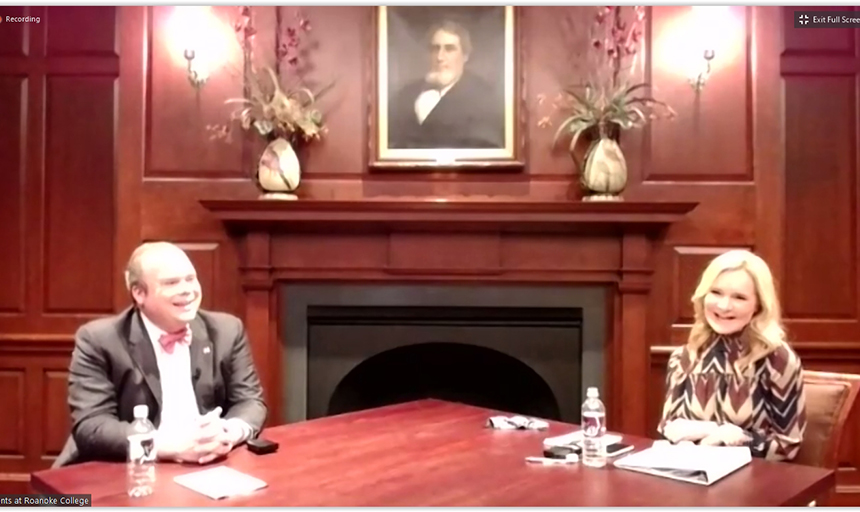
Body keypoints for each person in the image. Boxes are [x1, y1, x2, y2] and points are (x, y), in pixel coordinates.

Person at [54, 242, 267, 467]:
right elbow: (93, 426)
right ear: (139, 293)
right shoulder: (100, 340)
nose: (188, 290)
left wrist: (227, 433)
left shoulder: (226, 330)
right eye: (171, 283)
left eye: (191, 278)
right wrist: (169, 447)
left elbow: (250, 401)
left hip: (207, 464)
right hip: (129, 468)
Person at [658, 249, 807, 462]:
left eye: (739, 297)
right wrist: (711, 429)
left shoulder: (777, 360)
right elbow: (667, 427)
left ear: (758, 306)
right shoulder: (684, 356)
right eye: (716, 293)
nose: (724, 306)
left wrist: (737, 439)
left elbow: (788, 445)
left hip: (753, 483)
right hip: (691, 477)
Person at [388, 19, 504, 149]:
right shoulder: (406, 94)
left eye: (449, 49)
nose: (440, 57)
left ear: (465, 55)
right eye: (435, 49)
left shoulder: (483, 98)